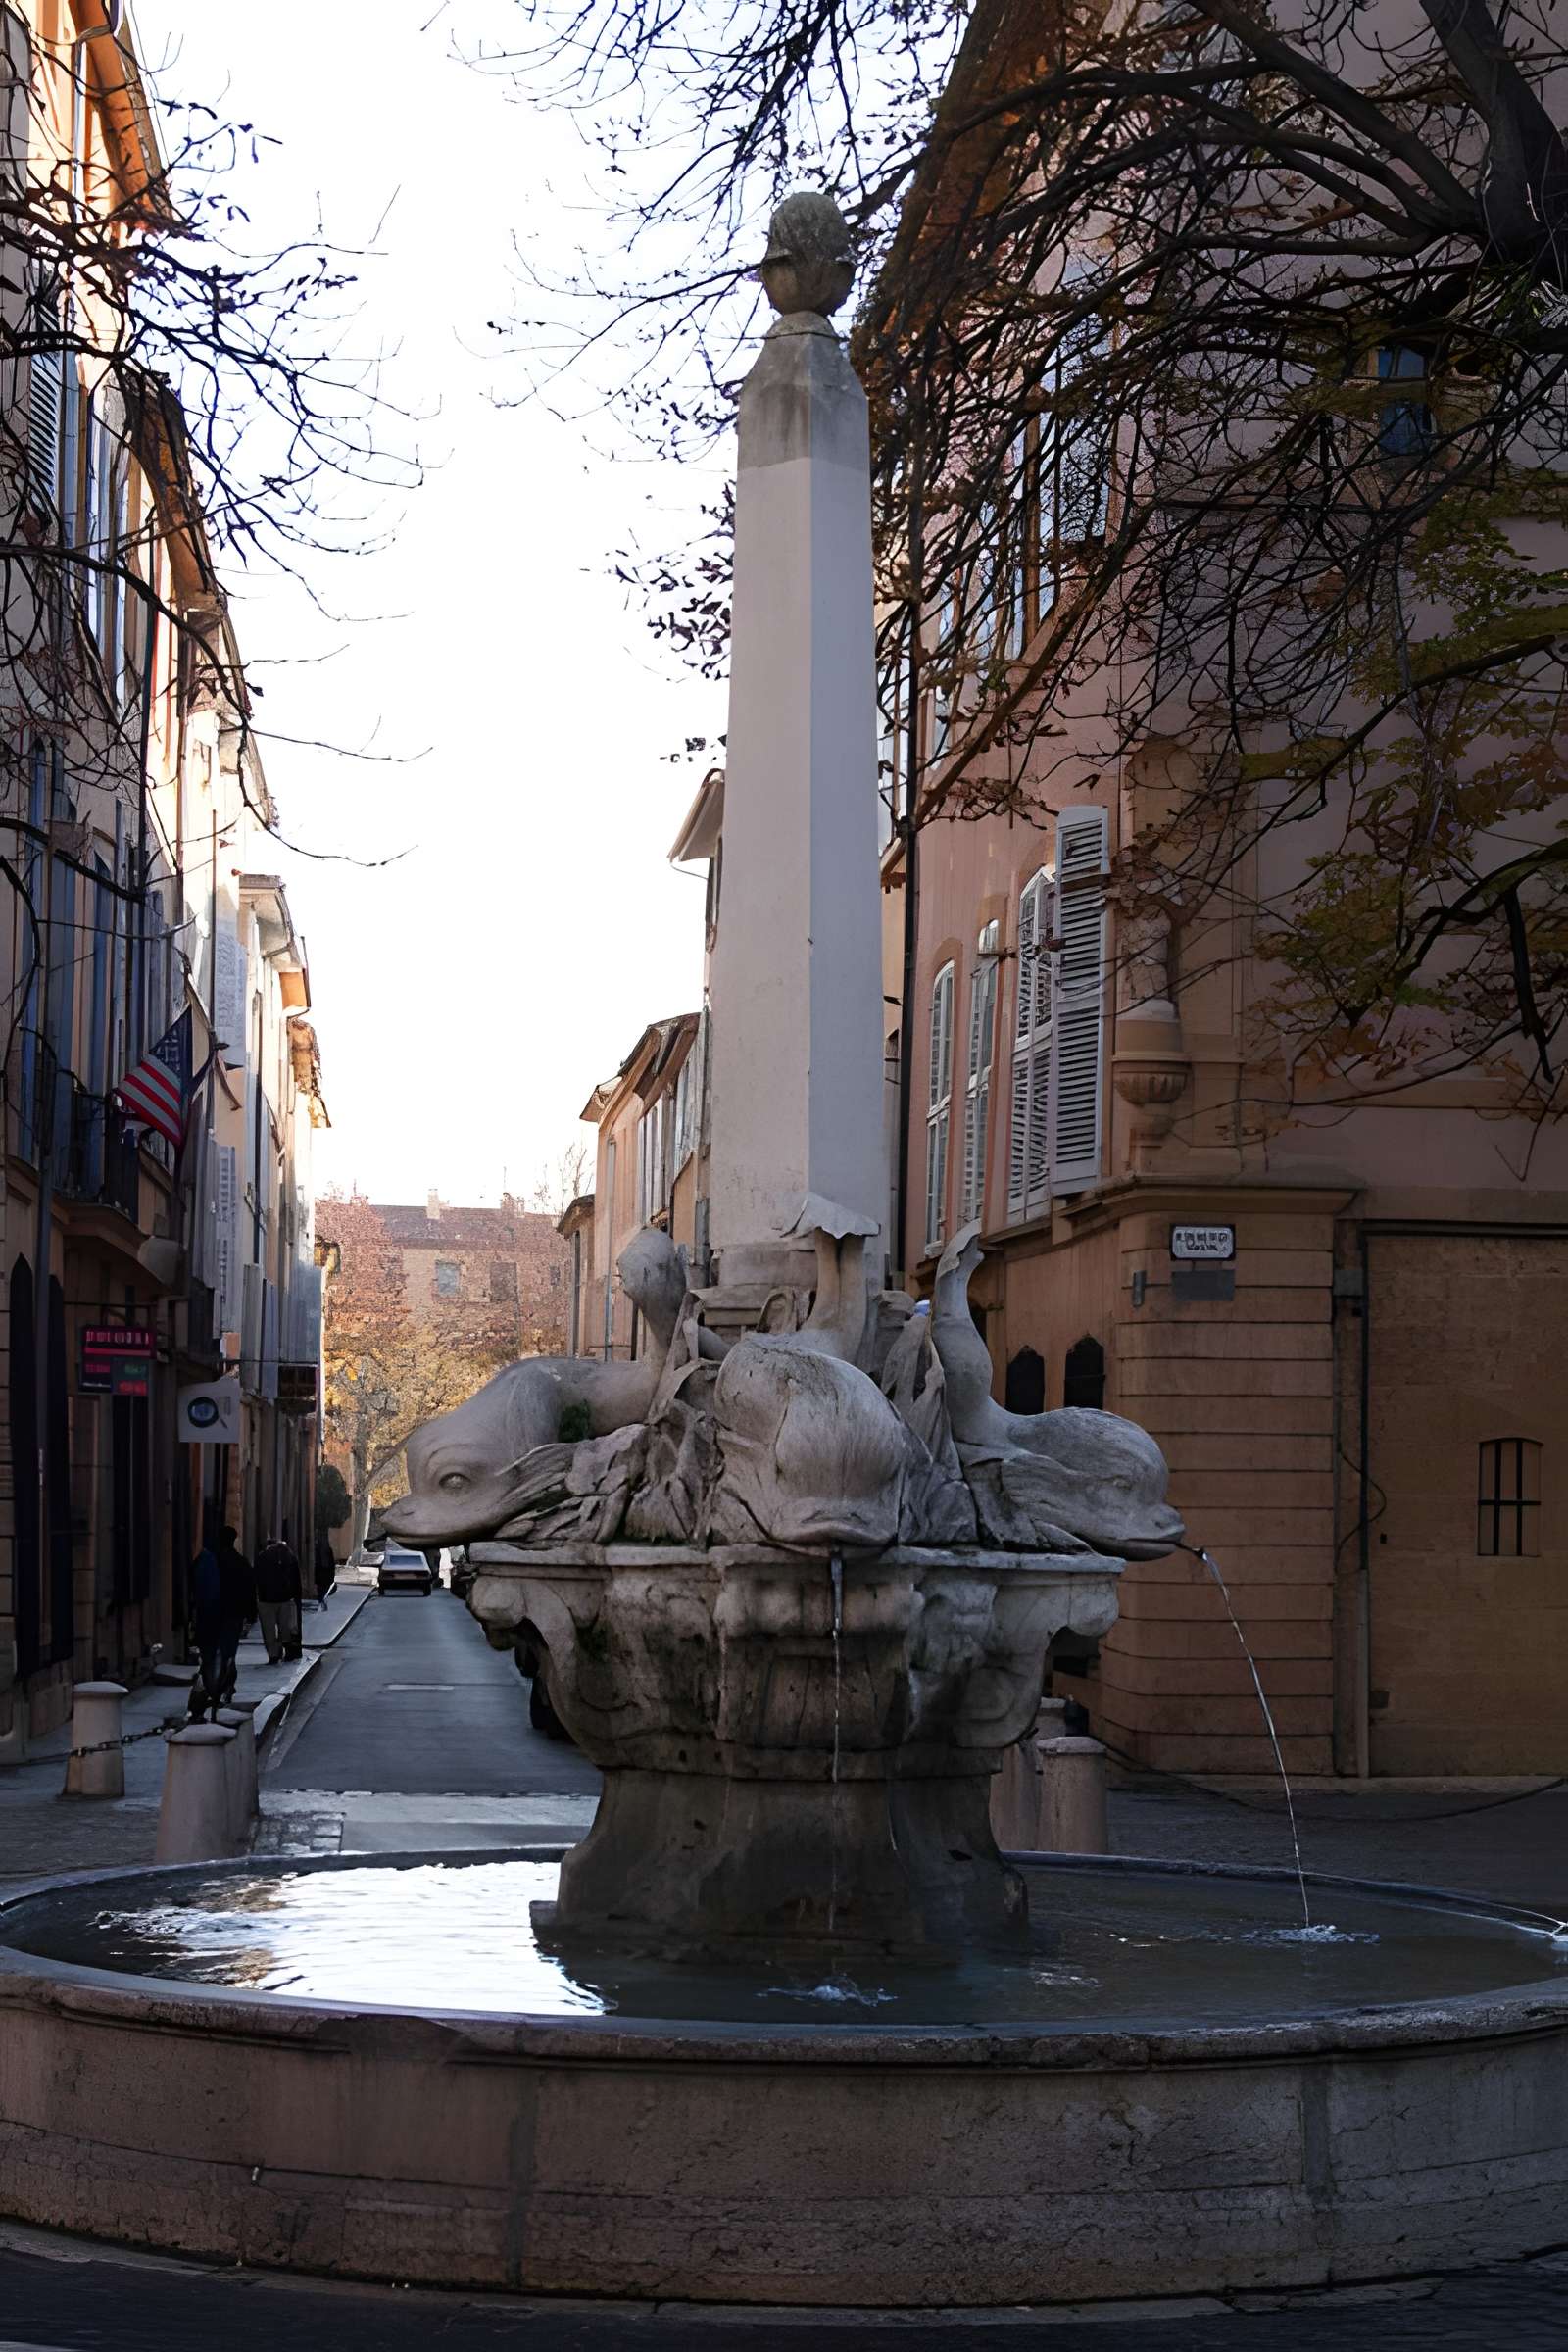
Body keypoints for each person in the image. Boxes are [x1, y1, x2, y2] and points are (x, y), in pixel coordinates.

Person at [191, 1526, 254, 1717]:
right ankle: (224, 1687)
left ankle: (210, 1688)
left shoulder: (207, 1560)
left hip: (209, 1615)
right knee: (228, 1654)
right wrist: (251, 1614)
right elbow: (249, 1588)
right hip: (232, 1616)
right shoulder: (240, 1562)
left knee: (209, 1655)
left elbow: (196, 1587)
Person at [254, 1527, 303, 1664]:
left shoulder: (261, 1557)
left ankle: (273, 1655)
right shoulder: (289, 1555)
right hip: (286, 1598)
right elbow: (296, 1578)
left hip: (266, 1599)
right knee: (285, 1627)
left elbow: (256, 1577)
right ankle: (286, 1650)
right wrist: (297, 1597)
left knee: (269, 1629)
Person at [313, 1531, 336, 1610]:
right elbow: (332, 1564)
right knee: (323, 1590)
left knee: (321, 1590)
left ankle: (321, 1602)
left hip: (321, 1573)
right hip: (326, 1573)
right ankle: (322, 1602)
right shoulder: (328, 1549)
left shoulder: (317, 1549)